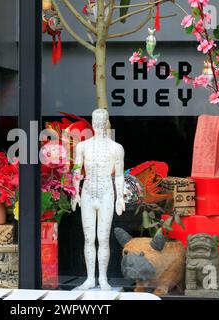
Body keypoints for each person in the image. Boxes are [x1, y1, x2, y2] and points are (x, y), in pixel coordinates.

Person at [71, 108, 125, 290]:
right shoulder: (82, 146)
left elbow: (119, 175)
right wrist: (75, 192)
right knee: (88, 238)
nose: (99, 122)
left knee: (103, 238)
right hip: (87, 192)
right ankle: (89, 278)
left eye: (102, 119)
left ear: (107, 121)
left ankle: (102, 278)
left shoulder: (116, 148)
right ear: (92, 122)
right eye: (96, 119)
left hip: (106, 192)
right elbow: (77, 171)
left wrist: (120, 198)